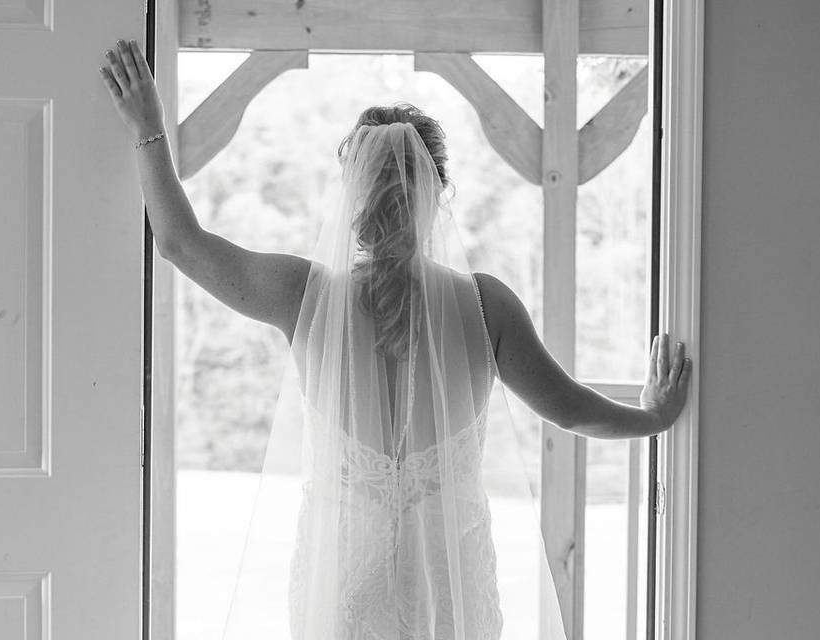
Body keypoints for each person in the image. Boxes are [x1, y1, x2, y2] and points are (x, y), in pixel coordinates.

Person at [101, 39, 692, 639]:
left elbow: (179, 242)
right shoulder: (487, 306)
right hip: (449, 589)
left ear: (353, 194)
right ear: (440, 193)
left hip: (343, 590)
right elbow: (571, 410)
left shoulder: (304, 297)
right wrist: (654, 416)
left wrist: (148, 130)